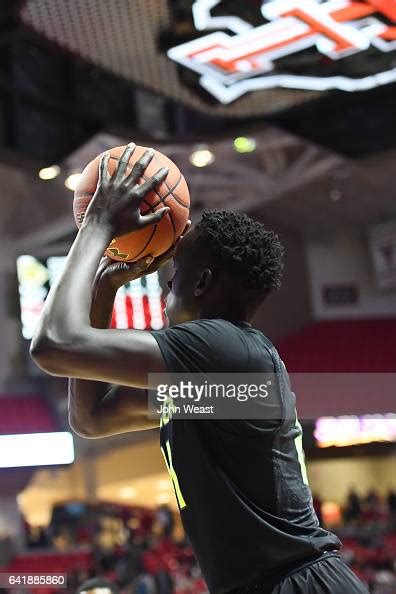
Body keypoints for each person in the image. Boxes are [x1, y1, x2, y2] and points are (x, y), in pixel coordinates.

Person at [31, 144, 369, 594]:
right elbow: (90, 418)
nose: (164, 285)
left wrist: (97, 223)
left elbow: (54, 344)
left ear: (203, 283)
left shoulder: (221, 347)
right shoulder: (216, 386)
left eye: (172, 275)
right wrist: (104, 289)